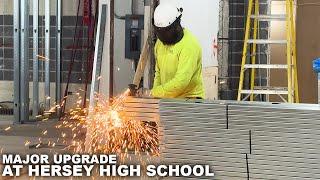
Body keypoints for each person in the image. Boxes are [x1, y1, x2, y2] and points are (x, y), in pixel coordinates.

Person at [151, 3, 205, 99]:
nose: (161, 36)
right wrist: (155, 97)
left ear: (176, 25)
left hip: (189, 100)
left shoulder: (189, 45)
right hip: (167, 99)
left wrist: (154, 93)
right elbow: (158, 73)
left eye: (165, 32)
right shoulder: (159, 44)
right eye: (159, 32)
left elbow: (181, 82)